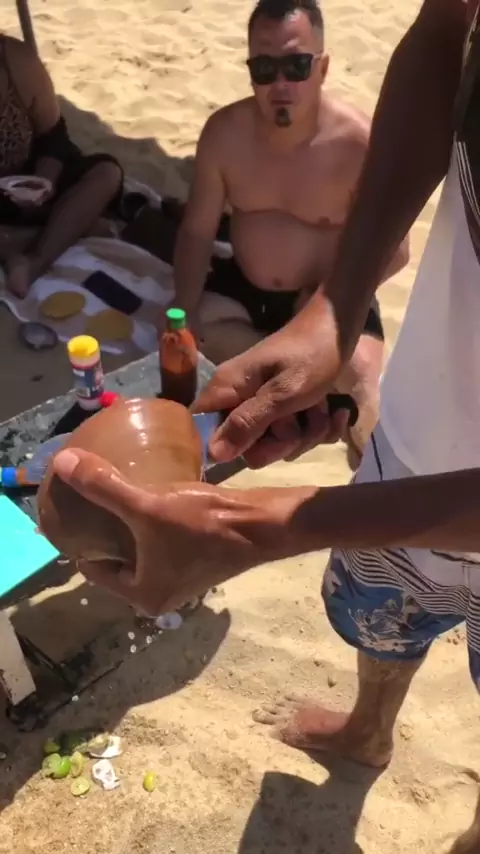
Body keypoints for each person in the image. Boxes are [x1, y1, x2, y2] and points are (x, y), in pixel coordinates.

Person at [50, 0, 480, 849]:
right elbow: (444, 32)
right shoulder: (229, 136)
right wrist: (336, 305)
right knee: (384, 610)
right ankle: (368, 731)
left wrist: (269, 525)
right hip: (418, 429)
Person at [170, 0, 409, 465]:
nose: (280, 84)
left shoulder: (358, 144)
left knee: (362, 385)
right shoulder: (224, 135)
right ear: (250, 71)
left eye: (296, 66)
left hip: (332, 297)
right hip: (248, 291)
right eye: (265, 68)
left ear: (323, 68)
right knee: (200, 337)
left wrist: (325, 301)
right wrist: (183, 307)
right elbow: (197, 231)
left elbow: (398, 251)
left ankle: (374, 471)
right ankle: (306, 393)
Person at [0, 35, 123, 297]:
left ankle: (33, 260)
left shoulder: (16, 61)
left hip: (26, 186)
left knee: (106, 174)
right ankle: (70, 231)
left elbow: (54, 136)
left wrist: (44, 180)